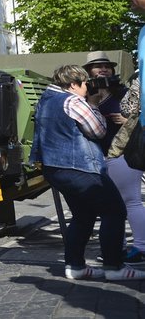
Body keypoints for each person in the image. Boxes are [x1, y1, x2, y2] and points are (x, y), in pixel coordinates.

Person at [30, 64, 145, 280]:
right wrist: (91, 105)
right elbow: (99, 130)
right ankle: (114, 268)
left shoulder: (45, 100)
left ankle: (75, 267)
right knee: (115, 211)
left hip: (54, 168)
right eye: (84, 84)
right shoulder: (73, 101)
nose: (87, 88)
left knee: (83, 215)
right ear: (73, 84)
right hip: (79, 167)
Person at [84, 50, 145, 265]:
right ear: (89, 72)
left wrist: (128, 120)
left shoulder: (123, 93)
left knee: (130, 201)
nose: (103, 69)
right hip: (100, 156)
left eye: (107, 66)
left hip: (124, 154)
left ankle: (140, 247)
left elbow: (140, 116)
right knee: (113, 206)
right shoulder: (86, 95)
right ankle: (118, 247)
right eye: (97, 66)